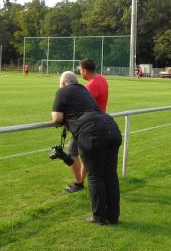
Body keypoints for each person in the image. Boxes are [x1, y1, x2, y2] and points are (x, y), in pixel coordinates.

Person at [51, 71, 122, 225]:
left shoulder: (62, 91)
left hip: (92, 133)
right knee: (110, 175)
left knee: (95, 176)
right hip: (111, 127)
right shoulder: (84, 90)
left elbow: (56, 118)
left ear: (63, 83)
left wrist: (65, 120)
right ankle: (113, 216)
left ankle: (99, 217)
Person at [63, 58, 109, 194]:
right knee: (86, 155)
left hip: (87, 125)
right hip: (99, 122)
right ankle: (81, 182)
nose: (79, 73)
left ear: (84, 70)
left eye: (79, 70)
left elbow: (80, 106)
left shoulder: (91, 86)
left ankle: (79, 183)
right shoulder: (102, 79)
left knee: (72, 153)